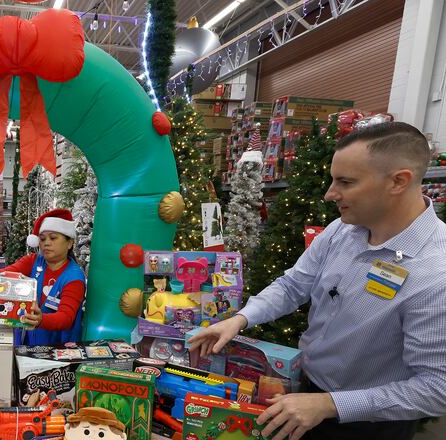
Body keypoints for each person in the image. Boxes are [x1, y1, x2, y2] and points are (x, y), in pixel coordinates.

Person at [188, 122, 446, 440]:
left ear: (398, 181)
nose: (329, 194)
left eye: (346, 182)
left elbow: (436, 388)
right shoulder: (342, 230)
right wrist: (240, 319)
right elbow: (294, 285)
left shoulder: (436, 275)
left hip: (367, 424)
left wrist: (329, 405)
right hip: (304, 393)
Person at [0, 209, 86, 345]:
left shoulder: (74, 277)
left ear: (70, 243)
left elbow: (66, 317)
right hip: (28, 344)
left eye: (53, 238)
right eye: (42, 239)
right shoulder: (33, 261)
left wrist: (41, 320)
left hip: (58, 348)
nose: (46, 243)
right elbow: (7, 273)